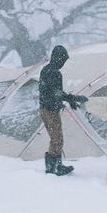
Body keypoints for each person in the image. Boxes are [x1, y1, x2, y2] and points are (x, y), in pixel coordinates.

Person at [38, 45, 87, 176]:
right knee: (57, 139)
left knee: (55, 138)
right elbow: (56, 93)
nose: (63, 63)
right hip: (50, 111)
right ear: (58, 58)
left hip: (44, 108)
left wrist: (68, 99)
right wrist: (72, 98)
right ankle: (55, 167)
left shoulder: (46, 69)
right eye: (63, 60)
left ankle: (53, 166)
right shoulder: (54, 72)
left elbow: (53, 92)